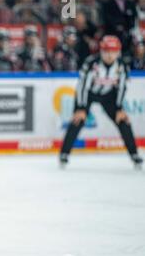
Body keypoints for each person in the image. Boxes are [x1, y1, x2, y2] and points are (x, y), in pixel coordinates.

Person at [59, 36, 143, 169]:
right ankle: (64, 154)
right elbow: (82, 86)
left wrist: (119, 108)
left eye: (113, 52)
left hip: (109, 97)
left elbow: (121, 87)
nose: (110, 55)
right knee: (78, 120)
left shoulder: (122, 66)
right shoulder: (91, 63)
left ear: (118, 52)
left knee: (123, 121)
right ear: (101, 51)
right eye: (107, 52)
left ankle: (134, 155)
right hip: (88, 95)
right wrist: (80, 108)